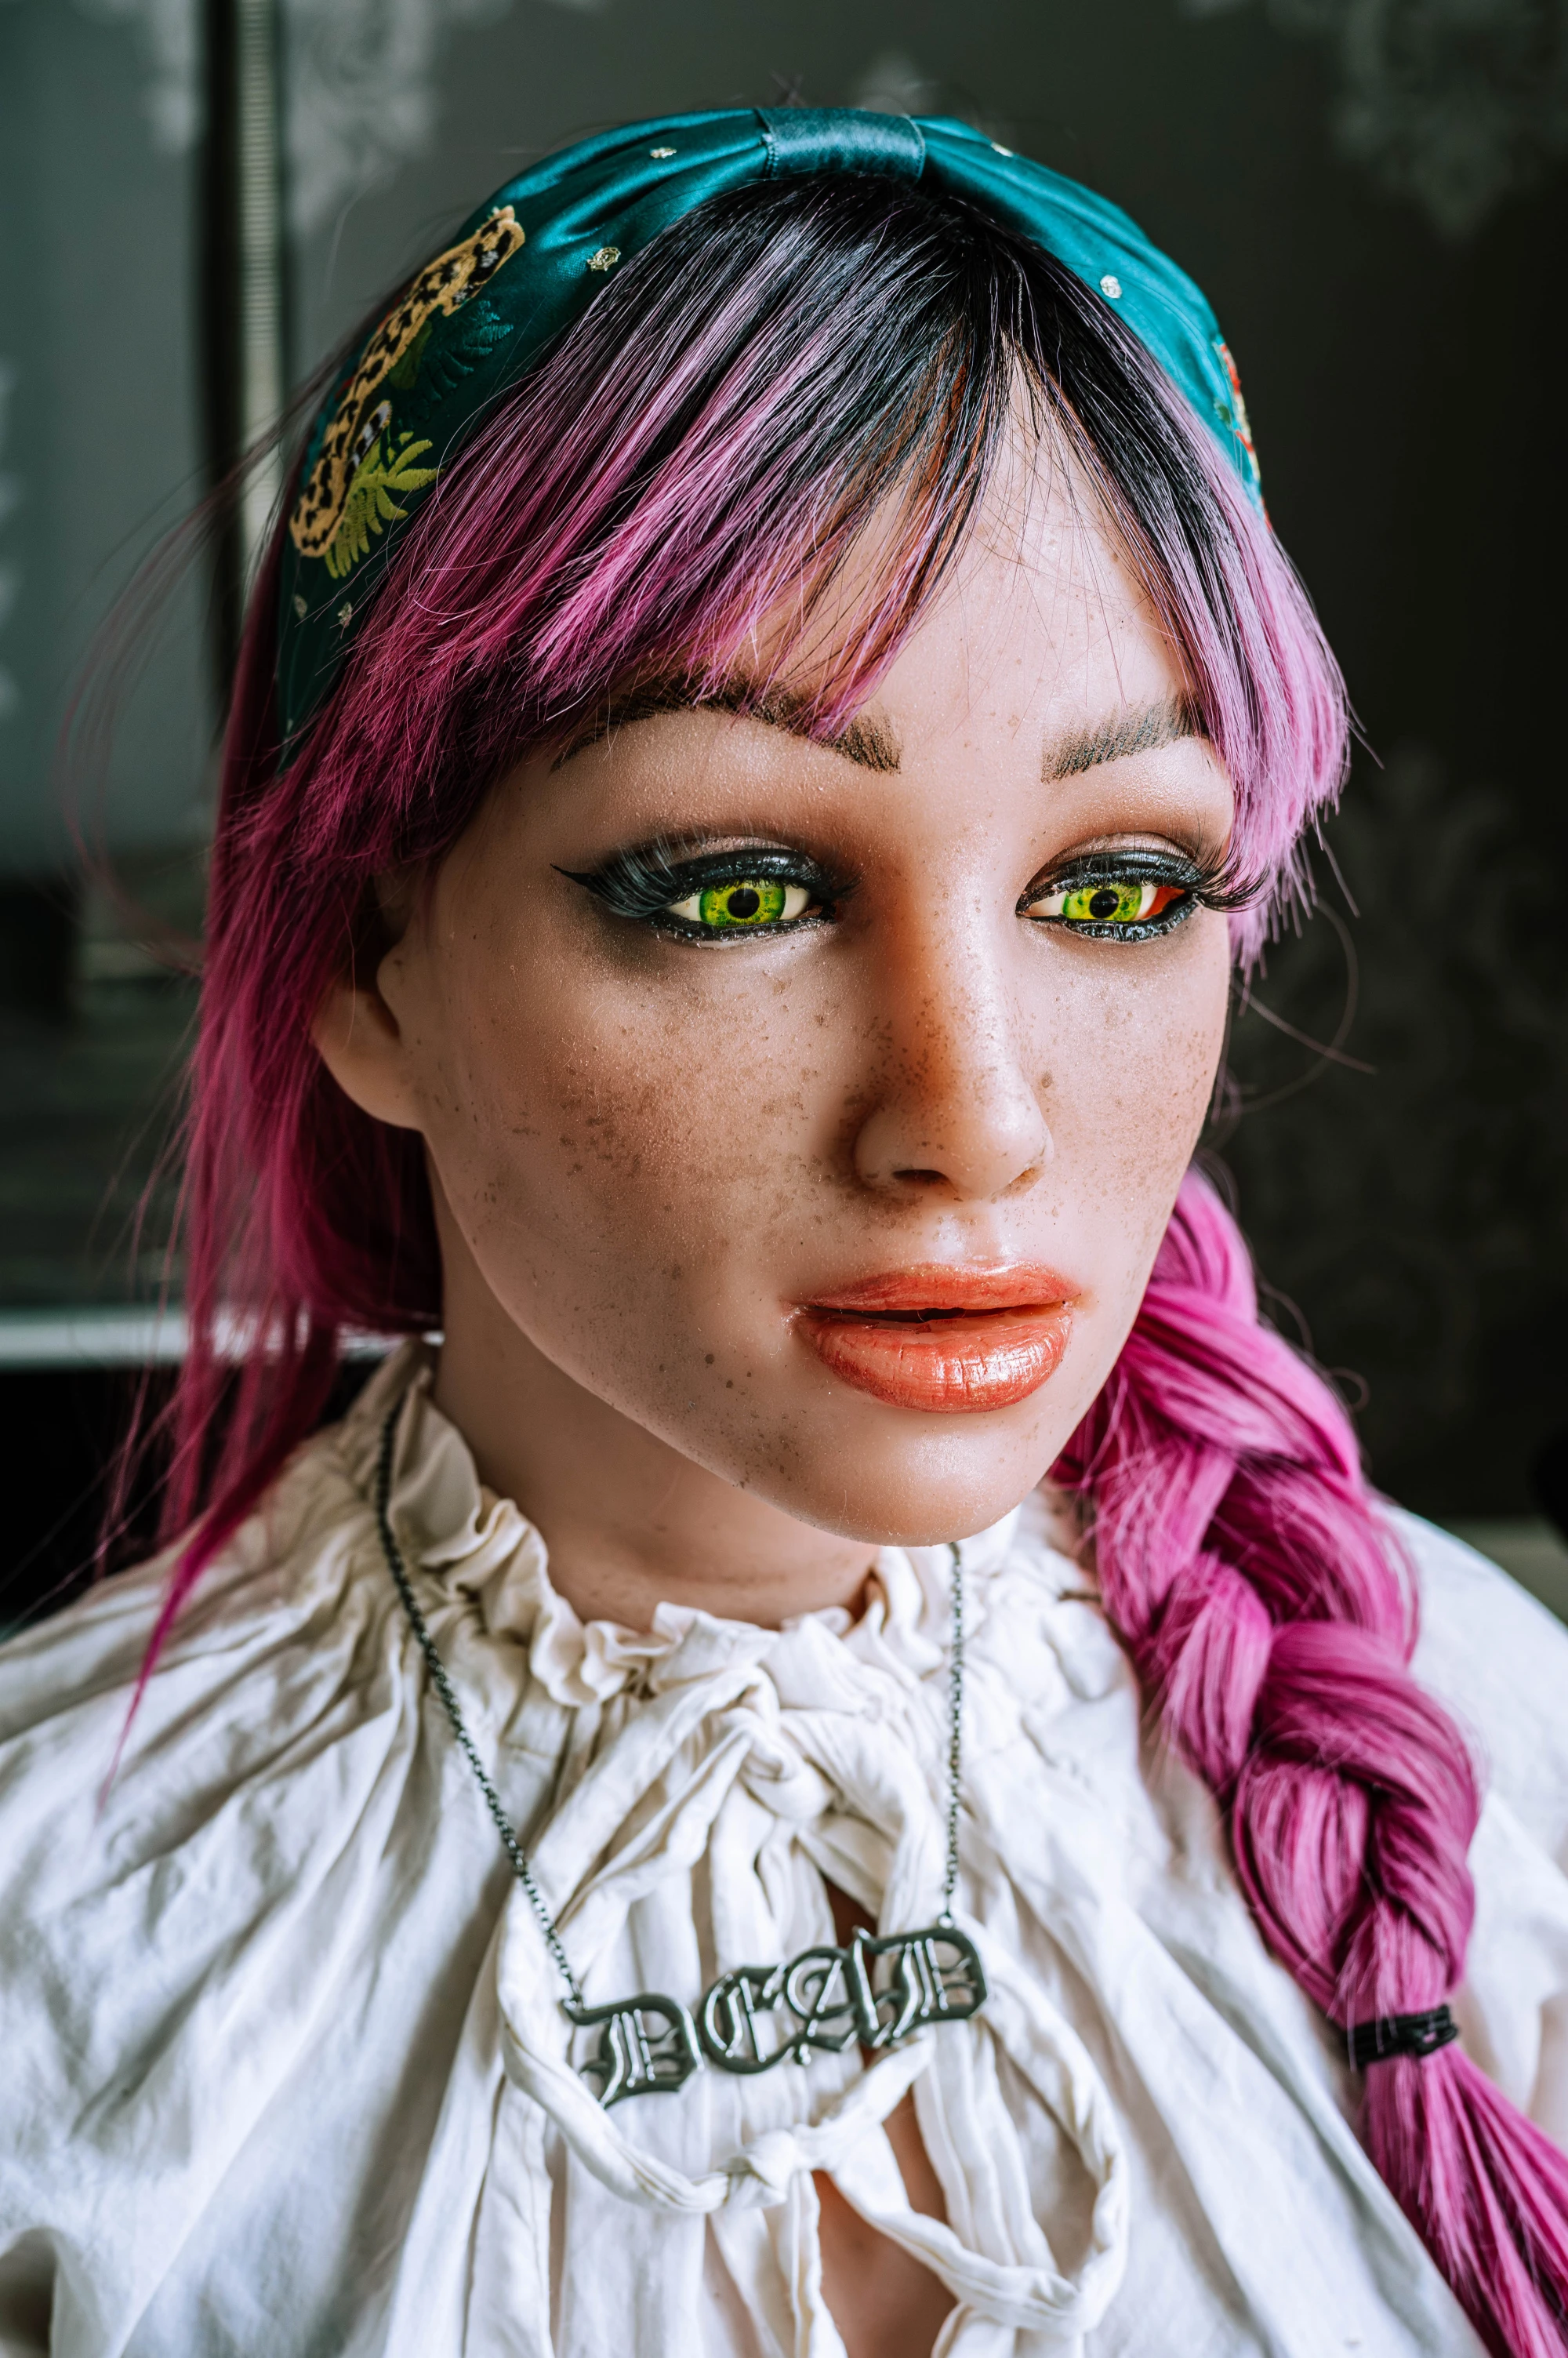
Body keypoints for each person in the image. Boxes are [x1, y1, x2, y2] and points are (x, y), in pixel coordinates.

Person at [1, 107, 1566, 2358]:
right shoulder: (56, 1962)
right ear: (364, 960)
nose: (979, 1116)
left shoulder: (1486, 1770)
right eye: (737, 886)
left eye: (1118, 889)